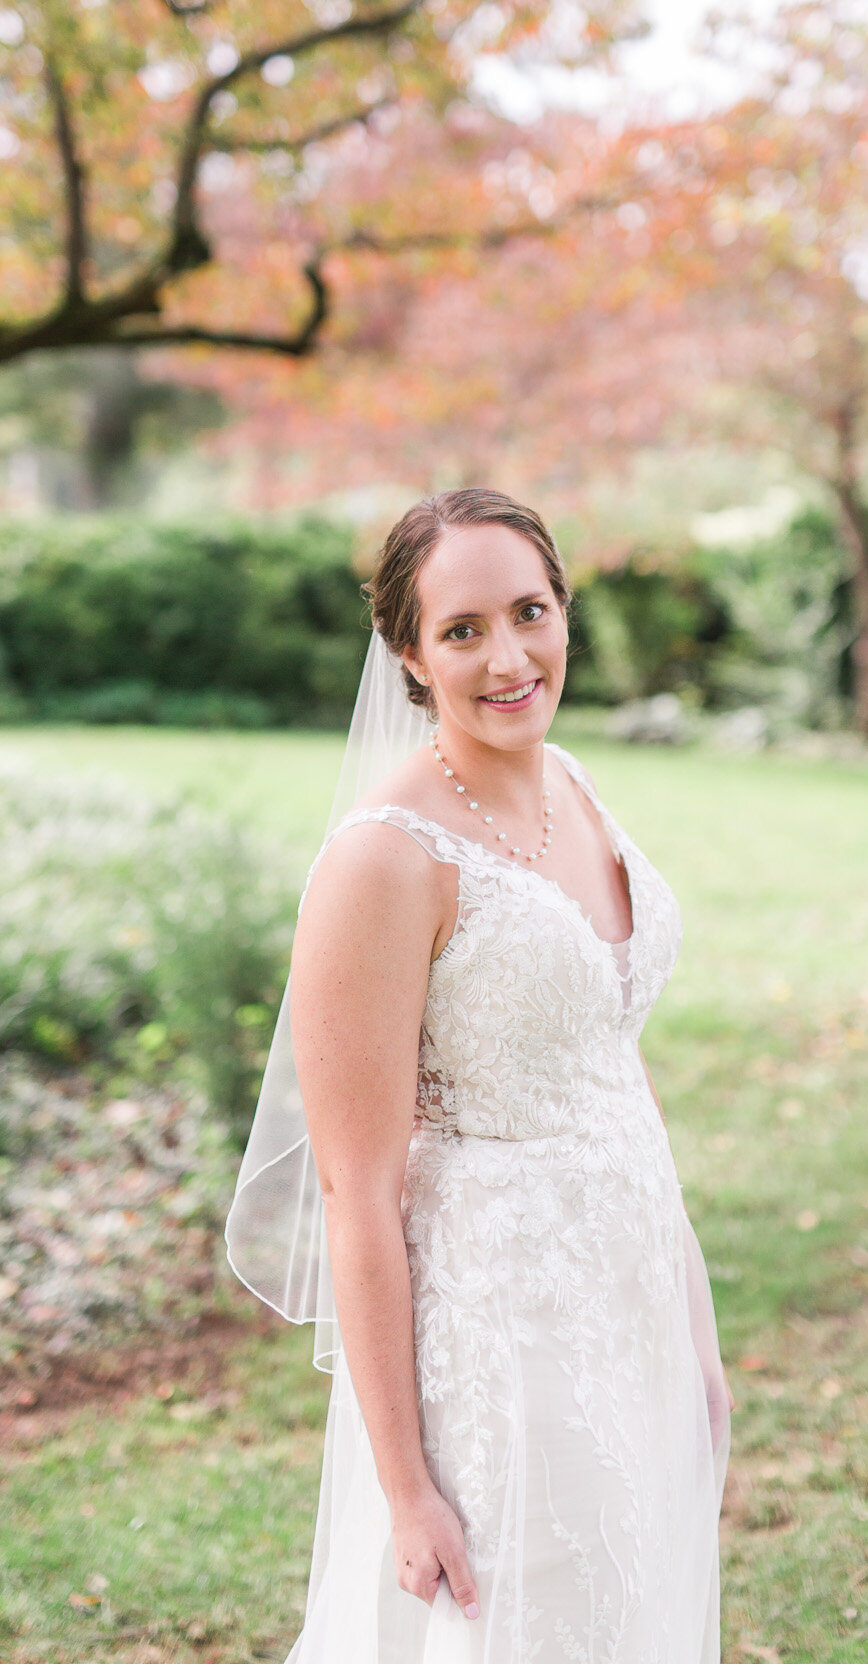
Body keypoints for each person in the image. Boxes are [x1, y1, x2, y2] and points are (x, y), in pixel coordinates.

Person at [227, 487, 730, 1663]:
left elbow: (616, 1075)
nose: (509, 657)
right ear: (407, 650)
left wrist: (694, 1340)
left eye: (530, 611)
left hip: (633, 1291)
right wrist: (406, 1490)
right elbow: (357, 1191)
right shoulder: (384, 860)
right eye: (462, 630)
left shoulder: (578, 785)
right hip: (504, 1326)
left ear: (564, 609)